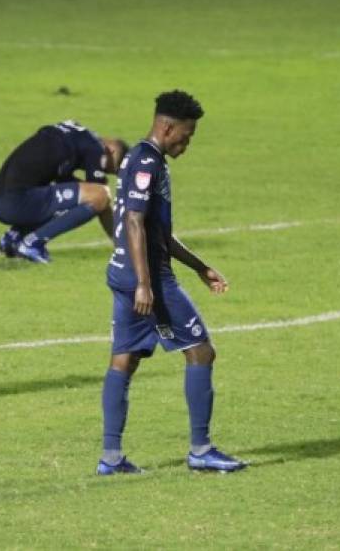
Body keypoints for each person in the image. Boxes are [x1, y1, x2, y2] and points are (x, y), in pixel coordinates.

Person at [97, 90, 246, 474]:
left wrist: (199, 266)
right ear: (167, 126)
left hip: (123, 273)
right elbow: (133, 220)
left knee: (125, 358)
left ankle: (110, 458)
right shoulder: (147, 162)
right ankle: (201, 449)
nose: (188, 143)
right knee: (201, 351)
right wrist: (146, 284)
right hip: (148, 279)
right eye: (187, 134)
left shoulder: (138, 158)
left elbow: (157, 232)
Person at [0, 120, 127, 263]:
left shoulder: (75, 137)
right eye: (110, 168)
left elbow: (65, 184)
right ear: (112, 150)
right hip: (16, 202)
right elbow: (101, 198)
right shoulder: (97, 149)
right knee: (100, 195)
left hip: (1, 200)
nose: (104, 170)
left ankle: (14, 236)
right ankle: (32, 243)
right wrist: (121, 243)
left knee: (73, 197)